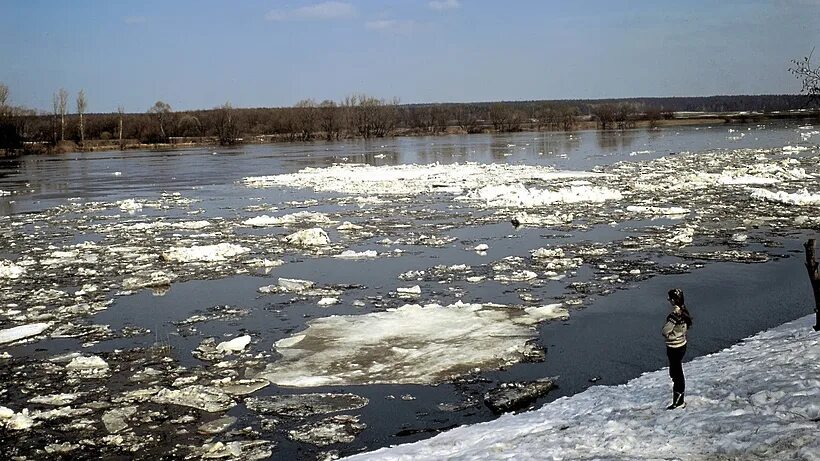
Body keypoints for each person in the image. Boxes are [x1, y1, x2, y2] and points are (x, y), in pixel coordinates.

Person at [662, 288, 692, 410]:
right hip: (682, 344)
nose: (669, 300)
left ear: (674, 300)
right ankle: (678, 400)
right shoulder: (684, 311)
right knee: (676, 372)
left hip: (674, 347)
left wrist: (669, 335)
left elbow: (665, 330)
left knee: (676, 374)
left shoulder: (674, 315)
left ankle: (679, 402)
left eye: (670, 298)